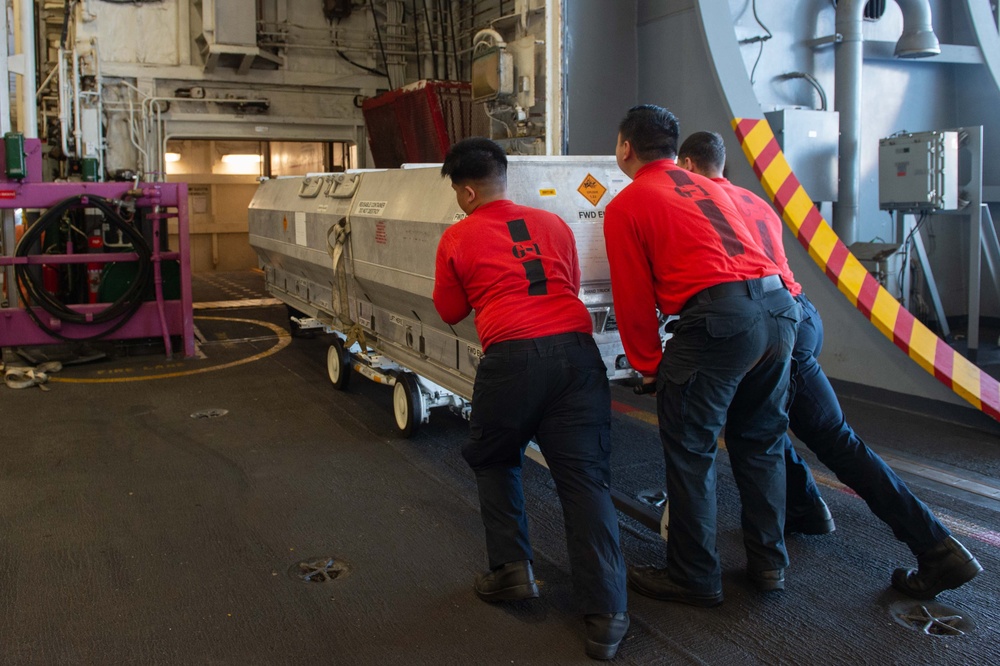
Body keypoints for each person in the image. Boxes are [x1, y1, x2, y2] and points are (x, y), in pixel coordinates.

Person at [676, 130, 983, 599]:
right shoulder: (753, 200)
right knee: (774, 423)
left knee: (801, 435)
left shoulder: (695, 204)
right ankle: (806, 508)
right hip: (797, 316)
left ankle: (937, 548)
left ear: (688, 165)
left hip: (771, 326)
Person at [432, 137, 629, 660]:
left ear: (467, 191)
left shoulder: (457, 236)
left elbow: (449, 311)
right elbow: (570, 282)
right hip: (577, 355)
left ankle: (512, 571)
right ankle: (608, 614)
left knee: (496, 459)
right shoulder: (555, 224)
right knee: (585, 478)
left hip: (511, 361)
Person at [604, 105, 801, 605]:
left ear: (626, 148)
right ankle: (769, 565)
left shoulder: (628, 203)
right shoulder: (716, 187)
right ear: (675, 150)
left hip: (717, 324)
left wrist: (647, 366)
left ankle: (694, 575)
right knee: (761, 443)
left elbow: (631, 296)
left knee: (692, 450)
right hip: (779, 311)